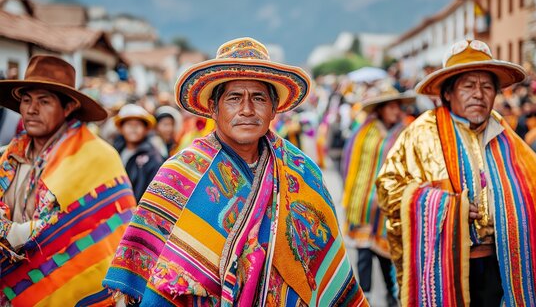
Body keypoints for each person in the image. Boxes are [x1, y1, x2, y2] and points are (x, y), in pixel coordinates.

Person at [104, 37, 367, 306]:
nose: (247, 109)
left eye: (259, 98)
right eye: (233, 98)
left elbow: (324, 267)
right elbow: (144, 266)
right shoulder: (180, 174)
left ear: (274, 108)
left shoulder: (302, 172)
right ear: (213, 108)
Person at [376, 40, 536, 306]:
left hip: (502, 266)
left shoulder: (504, 134)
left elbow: (534, 183)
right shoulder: (421, 133)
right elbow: (387, 190)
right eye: (468, 86)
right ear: (448, 93)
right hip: (445, 263)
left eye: (487, 86)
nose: (479, 94)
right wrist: (448, 207)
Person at [0, 56, 136, 306]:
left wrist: (8, 232)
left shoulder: (98, 157)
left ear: (69, 107)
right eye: (26, 100)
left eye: (44, 101)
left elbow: (105, 238)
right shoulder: (8, 157)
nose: (31, 109)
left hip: (71, 293)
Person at [341, 86, 415, 307]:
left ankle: (392, 297)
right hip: (363, 203)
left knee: (387, 255)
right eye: (391, 107)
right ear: (381, 109)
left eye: (398, 106)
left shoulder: (405, 132)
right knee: (363, 254)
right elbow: (351, 161)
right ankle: (367, 298)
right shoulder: (365, 132)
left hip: (388, 205)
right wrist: (356, 192)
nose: (396, 111)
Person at [113, 104, 164, 202]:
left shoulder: (153, 157)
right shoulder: (116, 150)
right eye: (129, 124)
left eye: (137, 125)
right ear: (121, 128)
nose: (133, 128)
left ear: (146, 129)